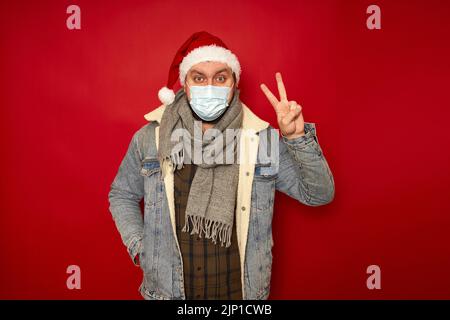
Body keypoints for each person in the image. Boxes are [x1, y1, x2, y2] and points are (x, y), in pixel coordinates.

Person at [108, 31, 335, 300]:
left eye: (220, 77)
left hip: (239, 295)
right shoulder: (151, 138)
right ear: (185, 84)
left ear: (233, 84)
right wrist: (141, 248)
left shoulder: (262, 140)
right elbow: (122, 194)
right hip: (168, 294)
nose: (210, 86)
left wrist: (295, 138)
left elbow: (318, 194)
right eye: (199, 78)